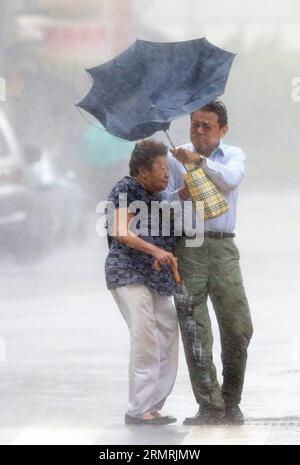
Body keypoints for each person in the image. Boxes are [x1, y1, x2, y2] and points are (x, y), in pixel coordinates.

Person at [164, 101, 253, 425]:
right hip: (188, 247)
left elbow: (231, 180)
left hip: (224, 246)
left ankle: (231, 401)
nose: (199, 131)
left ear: (223, 130)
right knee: (195, 329)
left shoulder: (233, 156)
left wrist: (199, 162)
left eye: (207, 126)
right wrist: (179, 196)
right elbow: (160, 199)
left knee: (238, 327)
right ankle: (210, 405)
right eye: (194, 125)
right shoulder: (174, 156)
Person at [105, 139, 179, 425]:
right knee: (145, 336)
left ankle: (154, 403)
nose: (166, 175)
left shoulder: (157, 197)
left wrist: (168, 254)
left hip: (154, 278)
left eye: (168, 169)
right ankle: (138, 409)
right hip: (127, 274)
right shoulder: (127, 189)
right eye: (161, 169)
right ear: (142, 170)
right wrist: (156, 250)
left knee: (168, 328)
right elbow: (121, 232)